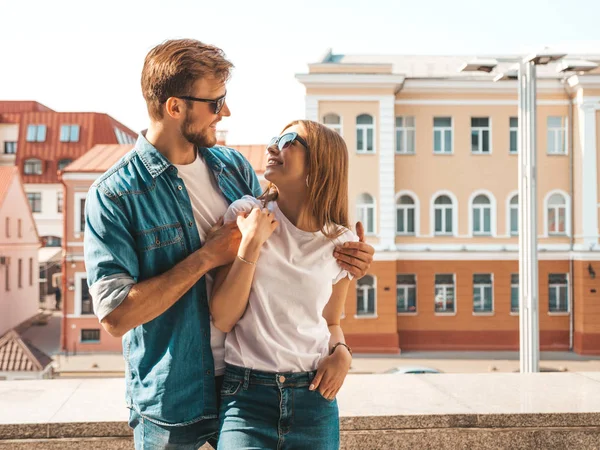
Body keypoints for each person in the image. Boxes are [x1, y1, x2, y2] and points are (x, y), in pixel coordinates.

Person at [84, 39, 375, 450]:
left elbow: (289, 249)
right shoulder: (114, 194)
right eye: (216, 103)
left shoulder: (233, 166)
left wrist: (349, 269)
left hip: (251, 385)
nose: (226, 112)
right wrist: (206, 257)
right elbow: (115, 316)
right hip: (174, 400)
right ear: (175, 107)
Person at [211, 120, 357, 450]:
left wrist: (343, 354)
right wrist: (250, 244)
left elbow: (331, 322)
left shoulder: (341, 243)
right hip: (246, 397)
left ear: (319, 163)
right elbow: (222, 317)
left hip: (314, 398)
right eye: (274, 139)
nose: (273, 147)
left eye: (289, 140)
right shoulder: (246, 214)